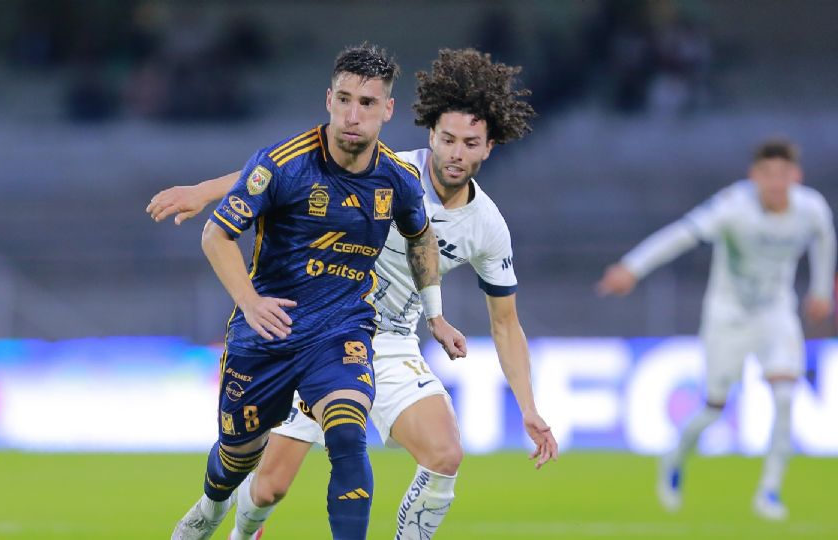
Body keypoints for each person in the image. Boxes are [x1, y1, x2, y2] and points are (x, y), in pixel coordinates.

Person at [149, 48, 559, 539]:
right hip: (307, 325)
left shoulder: (488, 227)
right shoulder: (391, 167)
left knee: (444, 452)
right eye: (447, 139)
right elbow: (276, 175)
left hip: (381, 342)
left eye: (470, 143)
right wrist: (205, 191)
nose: (455, 152)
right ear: (429, 134)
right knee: (268, 487)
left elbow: (505, 323)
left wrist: (527, 406)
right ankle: (236, 527)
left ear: (489, 147)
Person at [597, 139, 836, 521]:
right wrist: (632, 267)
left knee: (787, 397)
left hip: (777, 312)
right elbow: (681, 234)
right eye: (767, 175)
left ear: (796, 176)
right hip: (728, 316)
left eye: (783, 175)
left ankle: (769, 493)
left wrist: (821, 289)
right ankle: (674, 459)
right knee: (714, 409)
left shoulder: (811, 208)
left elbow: (825, 238)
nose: (775, 183)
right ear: (754, 177)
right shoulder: (733, 206)